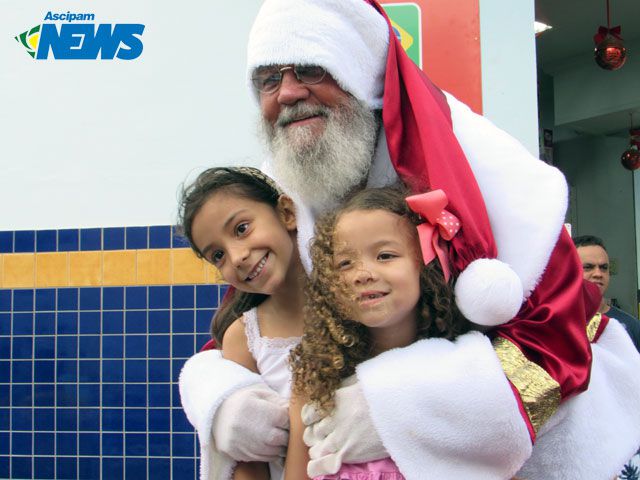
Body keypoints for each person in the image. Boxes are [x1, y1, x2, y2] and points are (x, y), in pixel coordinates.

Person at [179, 0, 640, 478]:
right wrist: (222, 398)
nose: (289, 93)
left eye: (311, 68)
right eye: (268, 80)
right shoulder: (288, 191)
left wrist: (395, 408)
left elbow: (558, 349)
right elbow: (257, 322)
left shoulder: (489, 167)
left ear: (358, 68)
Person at [286, 186, 470, 479]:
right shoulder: (315, 378)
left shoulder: (462, 366)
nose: (363, 274)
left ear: (425, 265)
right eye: (344, 263)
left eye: (385, 255)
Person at [178, 166, 305, 480]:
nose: (235, 257)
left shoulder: (356, 307)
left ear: (287, 213)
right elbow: (248, 463)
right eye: (218, 255)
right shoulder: (245, 337)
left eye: (241, 228)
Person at [573, 234, 640, 352]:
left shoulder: (630, 326)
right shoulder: (553, 323)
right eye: (588, 267)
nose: (598, 274)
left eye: (604, 267)